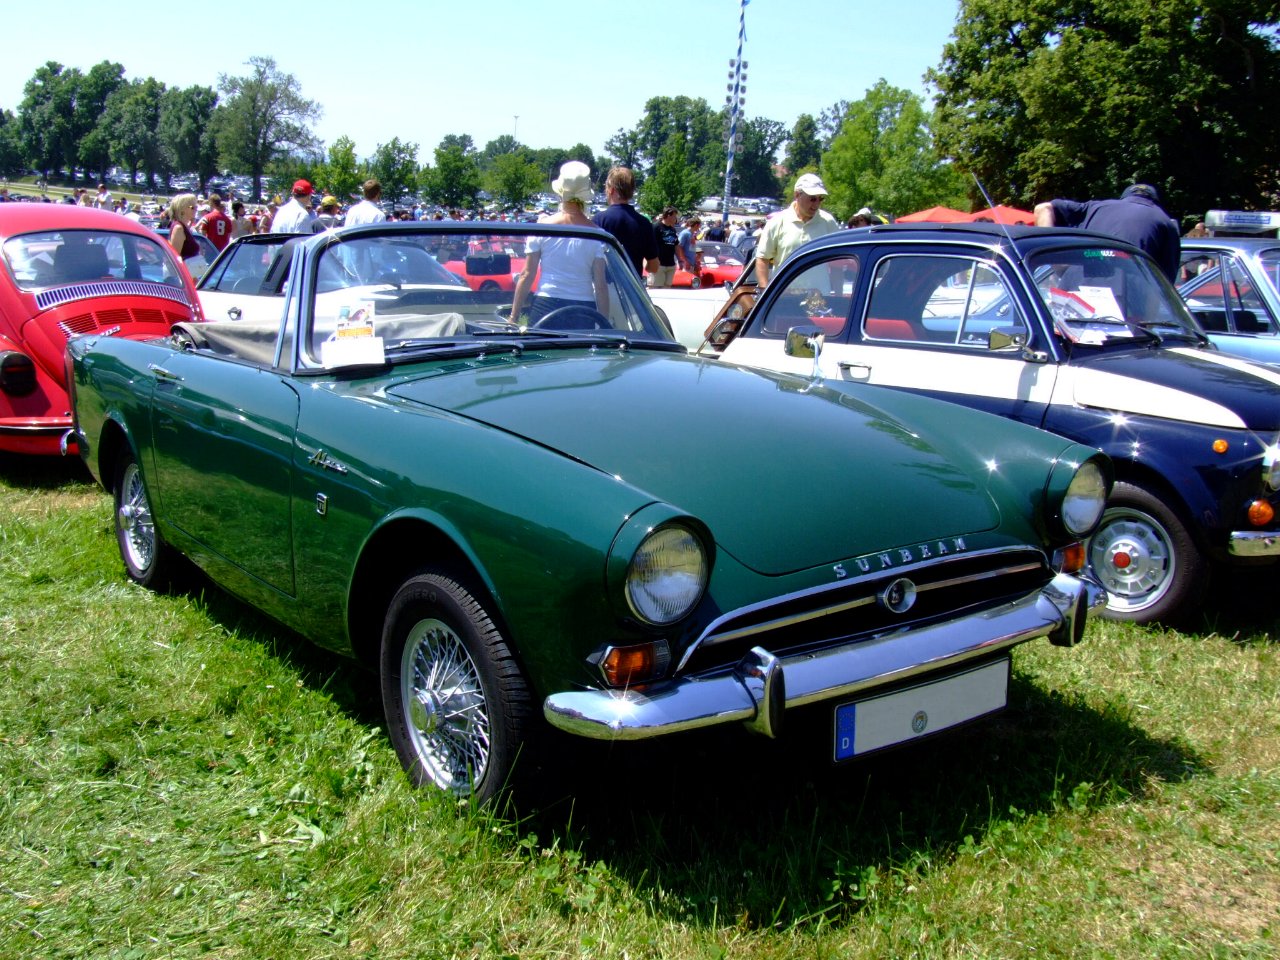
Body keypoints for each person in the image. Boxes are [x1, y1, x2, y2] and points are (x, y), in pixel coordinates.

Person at [509, 161, 609, 325]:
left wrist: (513, 317)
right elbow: (600, 285)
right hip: (583, 307)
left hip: (546, 304)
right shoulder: (597, 234)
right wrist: (605, 325)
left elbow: (527, 274)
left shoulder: (542, 228)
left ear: (560, 193)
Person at [1033, 184, 1180, 282]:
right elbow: (1162, 284)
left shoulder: (1094, 207)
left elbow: (1043, 208)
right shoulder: (1165, 223)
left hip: (1077, 301)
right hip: (1127, 307)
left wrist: (1054, 261)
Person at [754, 173, 840, 287]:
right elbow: (762, 259)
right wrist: (764, 292)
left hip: (820, 298)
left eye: (820, 199)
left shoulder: (828, 222)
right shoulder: (777, 222)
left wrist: (839, 296)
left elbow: (837, 263)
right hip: (784, 297)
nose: (817, 204)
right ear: (797, 195)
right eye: (812, 199)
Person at [592, 166, 658, 278]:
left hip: (605, 286)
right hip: (631, 289)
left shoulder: (598, 220)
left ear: (611, 189)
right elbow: (653, 267)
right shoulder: (644, 223)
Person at [165, 193, 202, 270]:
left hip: (192, 273)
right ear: (183, 209)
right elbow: (175, 258)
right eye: (193, 207)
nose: (196, 209)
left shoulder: (183, 226)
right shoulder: (179, 228)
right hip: (182, 276)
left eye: (196, 206)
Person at [651, 206, 680, 288]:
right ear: (668, 216)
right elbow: (650, 244)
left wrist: (681, 260)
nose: (676, 219)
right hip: (659, 264)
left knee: (667, 290)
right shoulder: (656, 227)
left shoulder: (672, 229)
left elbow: (676, 245)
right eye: (674, 216)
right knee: (657, 289)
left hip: (670, 264)